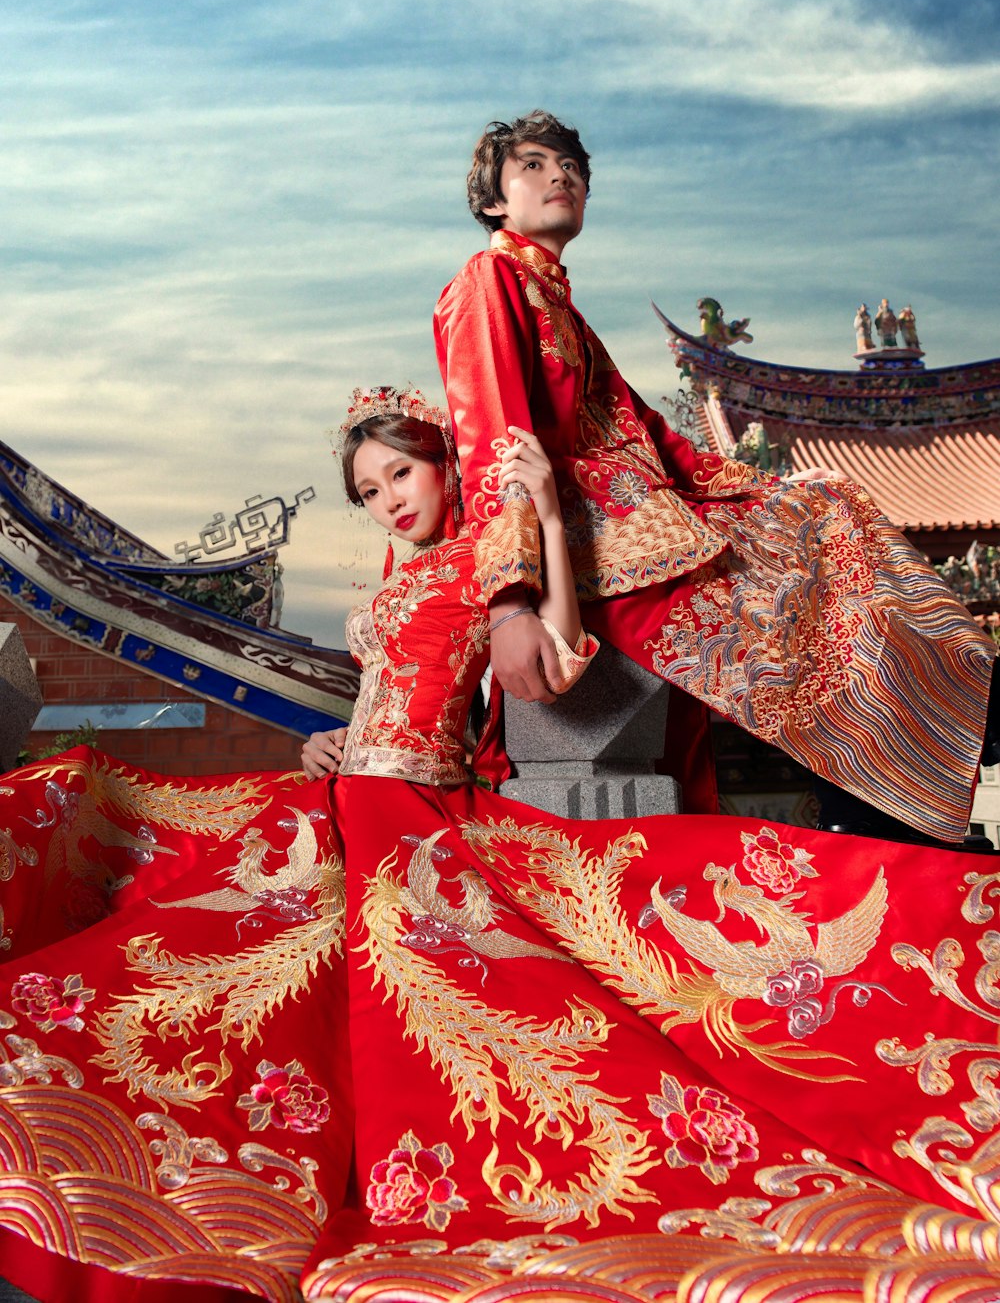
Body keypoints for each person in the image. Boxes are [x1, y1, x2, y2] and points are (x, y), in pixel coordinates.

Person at [3, 384, 1000, 1302]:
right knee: (183, 951)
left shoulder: (493, 563)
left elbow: (557, 665)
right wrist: (335, 738)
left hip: (419, 814)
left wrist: (544, 531)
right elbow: (385, 690)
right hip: (344, 794)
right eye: (368, 489)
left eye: (401, 472)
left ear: (443, 464)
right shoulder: (399, 578)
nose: (389, 498)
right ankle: (200, 1174)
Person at [433, 110, 998, 842]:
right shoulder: (486, 280)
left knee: (828, 510)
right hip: (591, 534)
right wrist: (509, 606)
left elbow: (658, 438)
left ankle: (920, 758)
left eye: (571, 168)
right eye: (535, 166)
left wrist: (770, 492)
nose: (561, 177)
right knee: (785, 622)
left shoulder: (565, 309)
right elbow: (494, 440)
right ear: (493, 203)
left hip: (646, 512)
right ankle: (884, 800)